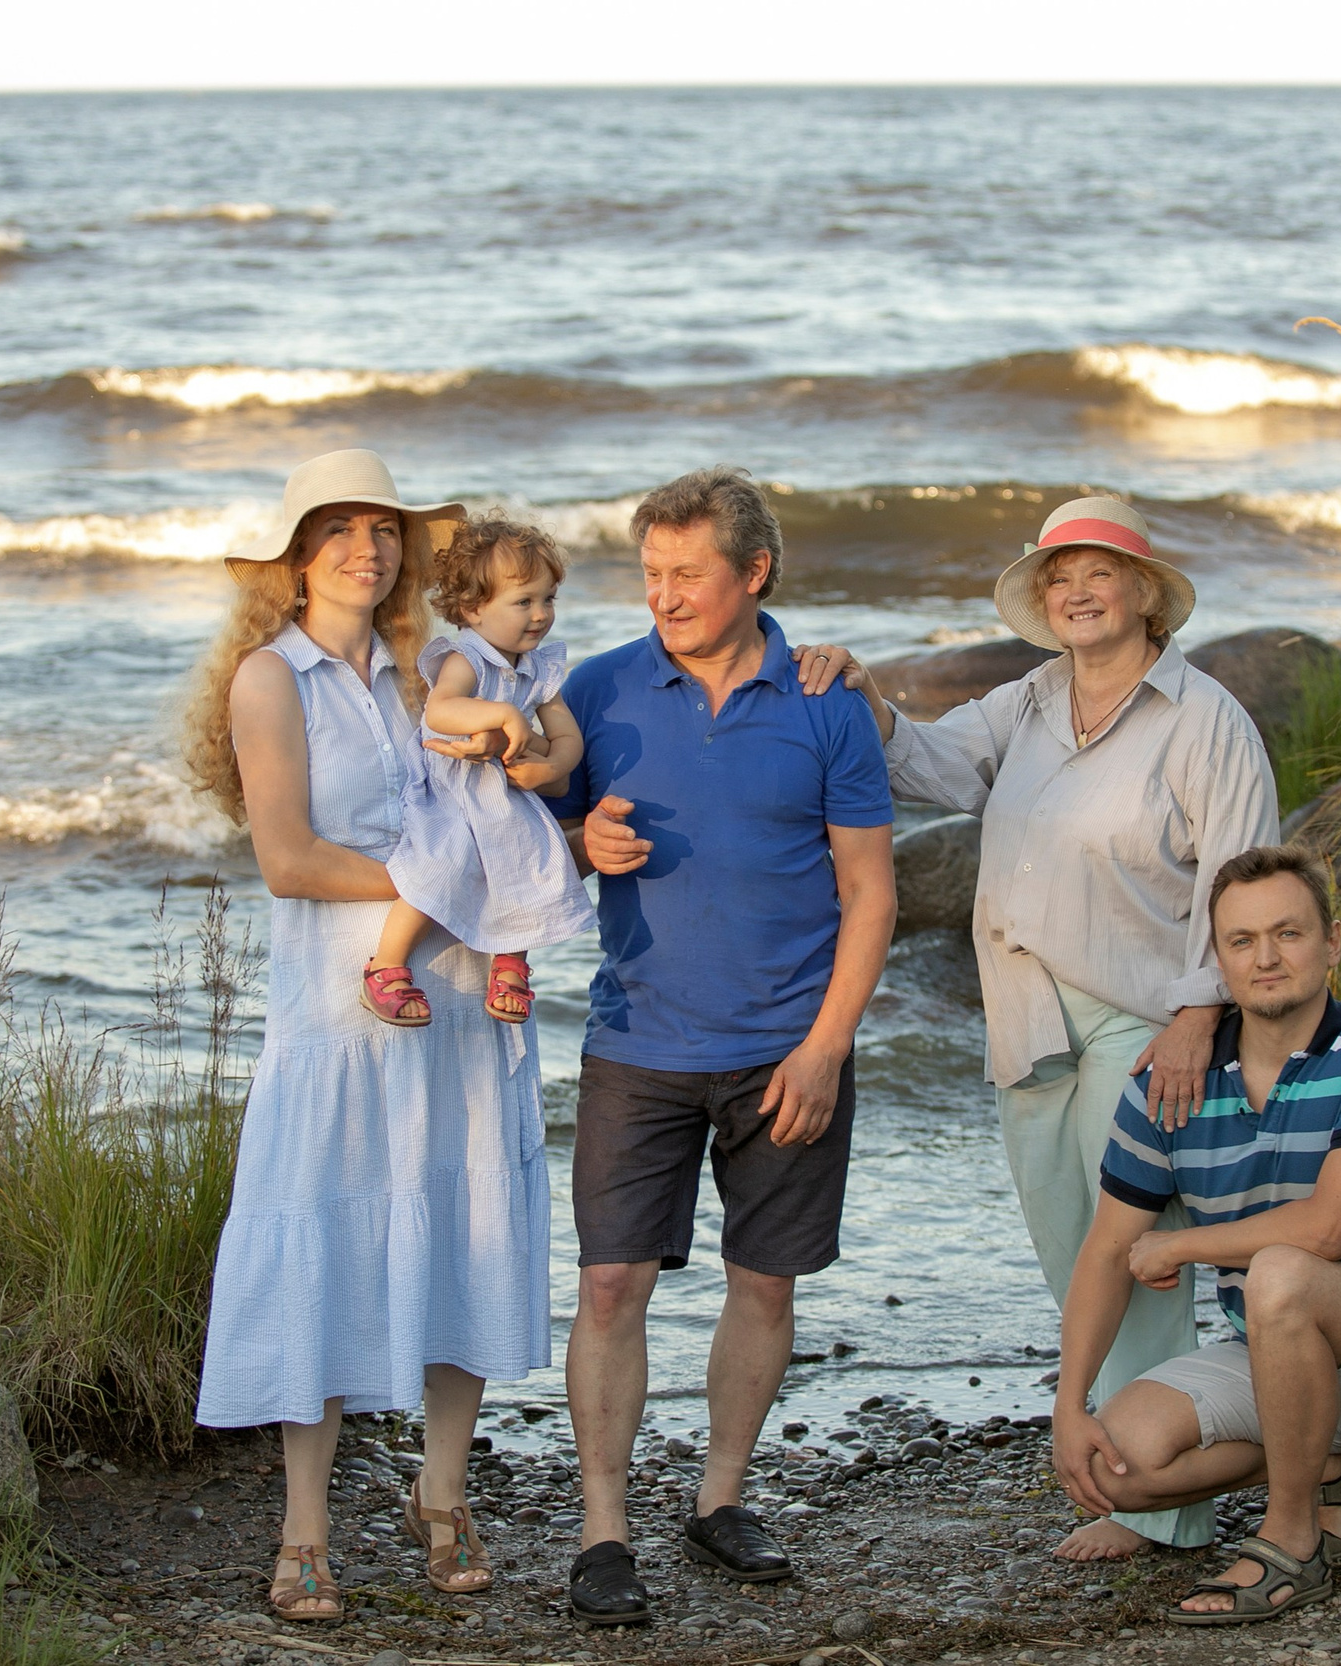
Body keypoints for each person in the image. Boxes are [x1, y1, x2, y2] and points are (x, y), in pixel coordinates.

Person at [792, 495, 1278, 1560]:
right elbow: (922, 767)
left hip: (1143, 1023)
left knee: (1133, 1259)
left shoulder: (1204, 720)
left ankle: (1163, 1507)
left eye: (1098, 571)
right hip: (1024, 1018)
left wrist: (1203, 1012)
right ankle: (1129, 1469)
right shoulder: (1026, 703)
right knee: (1072, 1262)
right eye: (1058, 576)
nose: (1076, 590)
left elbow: (1246, 884)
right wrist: (865, 695)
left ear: (1144, 593)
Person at [185, 450, 550, 1617]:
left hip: (459, 1006)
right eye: (335, 527)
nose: (365, 545)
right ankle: (304, 1529)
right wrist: (442, 885)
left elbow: (521, 769)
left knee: (461, 1228)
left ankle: (441, 1497)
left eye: (382, 526)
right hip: (338, 1017)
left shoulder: (424, 671)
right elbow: (288, 859)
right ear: (296, 556)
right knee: (325, 1250)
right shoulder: (267, 680)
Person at [546, 466, 897, 1625]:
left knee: (766, 1281)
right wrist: (576, 835)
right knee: (608, 1283)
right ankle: (604, 1529)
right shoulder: (594, 691)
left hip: (785, 1049)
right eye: (649, 573)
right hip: (638, 1038)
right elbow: (514, 831)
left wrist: (826, 1046)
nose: (663, 595)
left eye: (686, 573)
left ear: (754, 573)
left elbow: (870, 889)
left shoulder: (825, 699)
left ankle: (719, 1497)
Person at [1052, 843, 1341, 1626]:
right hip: (1278, 1356)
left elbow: (1328, 1229)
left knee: (1279, 1274)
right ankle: (1331, 1463)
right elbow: (1106, 1250)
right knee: (1120, 1462)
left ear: (1333, 943)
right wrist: (1068, 1404)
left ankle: (1293, 1540)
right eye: (1242, 941)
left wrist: (1179, 1246)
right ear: (1217, 961)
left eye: (1288, 934)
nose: (1266, 958)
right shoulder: (1169, 1086)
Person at [362, 517, 598, 1027]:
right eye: (524, 602)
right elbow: (441, 712)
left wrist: (554, 765)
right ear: (472, 609)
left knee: (529, 855)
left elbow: (567, 736)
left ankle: (512, 958)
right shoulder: (467, 657)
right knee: (441, 862)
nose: (540, 616)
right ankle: (386, 966)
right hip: (451, 790)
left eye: (548, 599)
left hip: (501, 791)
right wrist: (505, 714)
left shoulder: (539, 667)